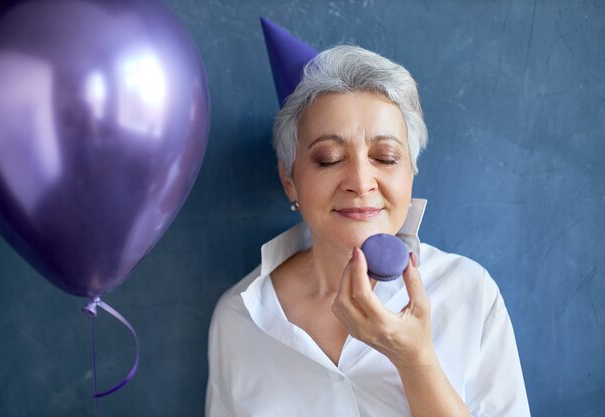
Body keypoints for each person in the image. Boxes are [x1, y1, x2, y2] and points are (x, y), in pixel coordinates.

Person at [206, 22, 530, 417]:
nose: (360, 182)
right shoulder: (239, 317)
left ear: (410, 171)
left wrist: (415, 360)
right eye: (329, 159)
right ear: (289, 180)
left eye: (386, 157)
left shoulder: (470, 294)